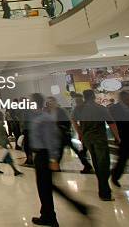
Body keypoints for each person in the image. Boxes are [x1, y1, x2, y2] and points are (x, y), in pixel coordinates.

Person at [30, 93, 90, 227]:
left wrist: (53, 159)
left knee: (46, 188)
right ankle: (47, 215)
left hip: (44, 156)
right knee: (46, 188)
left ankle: (76, 209)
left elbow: (51, 140)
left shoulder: (44, 118)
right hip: (40, 156)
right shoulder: (39, 117)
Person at [72, 89, 120, 201]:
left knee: (97, 163)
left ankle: (103, 188)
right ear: (93, 96)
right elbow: (111, 123)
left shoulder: (79, 108)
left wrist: (80, 133)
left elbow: (73, 120)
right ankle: (104, 192)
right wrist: (117, 137)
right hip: (99, 139)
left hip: (88, 139)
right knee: (103, 164)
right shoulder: (100, 108)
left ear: (84, 97)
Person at [45, 96, 92, 173]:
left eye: (51, 101)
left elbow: (68, 121)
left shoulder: (60, 111)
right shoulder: (49, 112)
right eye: (48, 102)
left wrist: (64, 129)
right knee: (60, 152)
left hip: (63, 135)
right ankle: (86, 165)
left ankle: (56, 167)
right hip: (57, 136)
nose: (50, 103)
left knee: (62, 152)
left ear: (54, 102)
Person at [109, 90, 129, 186]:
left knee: (124, 160)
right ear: (124, 98)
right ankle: (115, 177)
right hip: (126, 139)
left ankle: (115, 176)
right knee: (122, 161)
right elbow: (114, 123)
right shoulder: (115, 108)